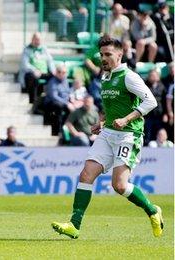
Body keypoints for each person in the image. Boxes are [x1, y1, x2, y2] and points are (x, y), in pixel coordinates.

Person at [52, 36, 162, 240]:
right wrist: (103, 122)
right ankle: (74, 225)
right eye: (101, 55)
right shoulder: (105, 77)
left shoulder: (129, 77)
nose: (103, 58)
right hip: (108, 133)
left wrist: (127, 119)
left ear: (119, 55)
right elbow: (112, 108)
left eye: (108, 54)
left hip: (129, 135)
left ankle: (153, 210)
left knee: (119, 186)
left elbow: (151, 101)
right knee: (86, 175)